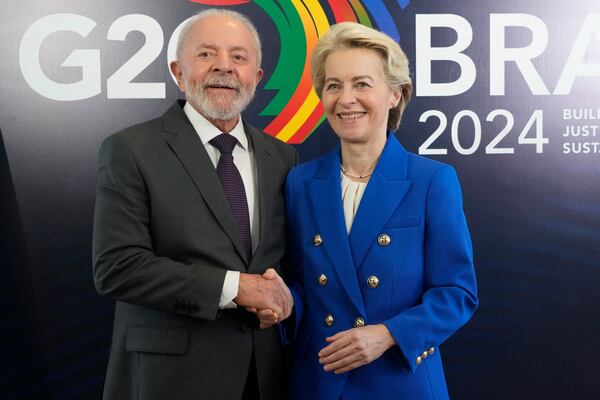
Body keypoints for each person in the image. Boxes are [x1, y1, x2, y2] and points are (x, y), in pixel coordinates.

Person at [92, 9, 296, 400]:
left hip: (267, 374)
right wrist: (237, 287)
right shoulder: (130, 150)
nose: (224, 66)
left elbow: (285, 265)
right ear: (178, 72)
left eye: (239, 57)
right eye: (206, 54)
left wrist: (282, 301)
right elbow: (116, 267)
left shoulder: (283, 158)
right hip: (170, 378)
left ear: (257, 76)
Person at [279, 22, 478, 400]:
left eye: (362, 84)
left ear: (394, 94)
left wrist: (388, 334)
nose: (345, 98)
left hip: (400, 379)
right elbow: (301, 284)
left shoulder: (432, 181)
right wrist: (283, 299)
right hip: (320, 379)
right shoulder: (299, 183)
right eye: (333, 85)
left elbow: (457, 292)